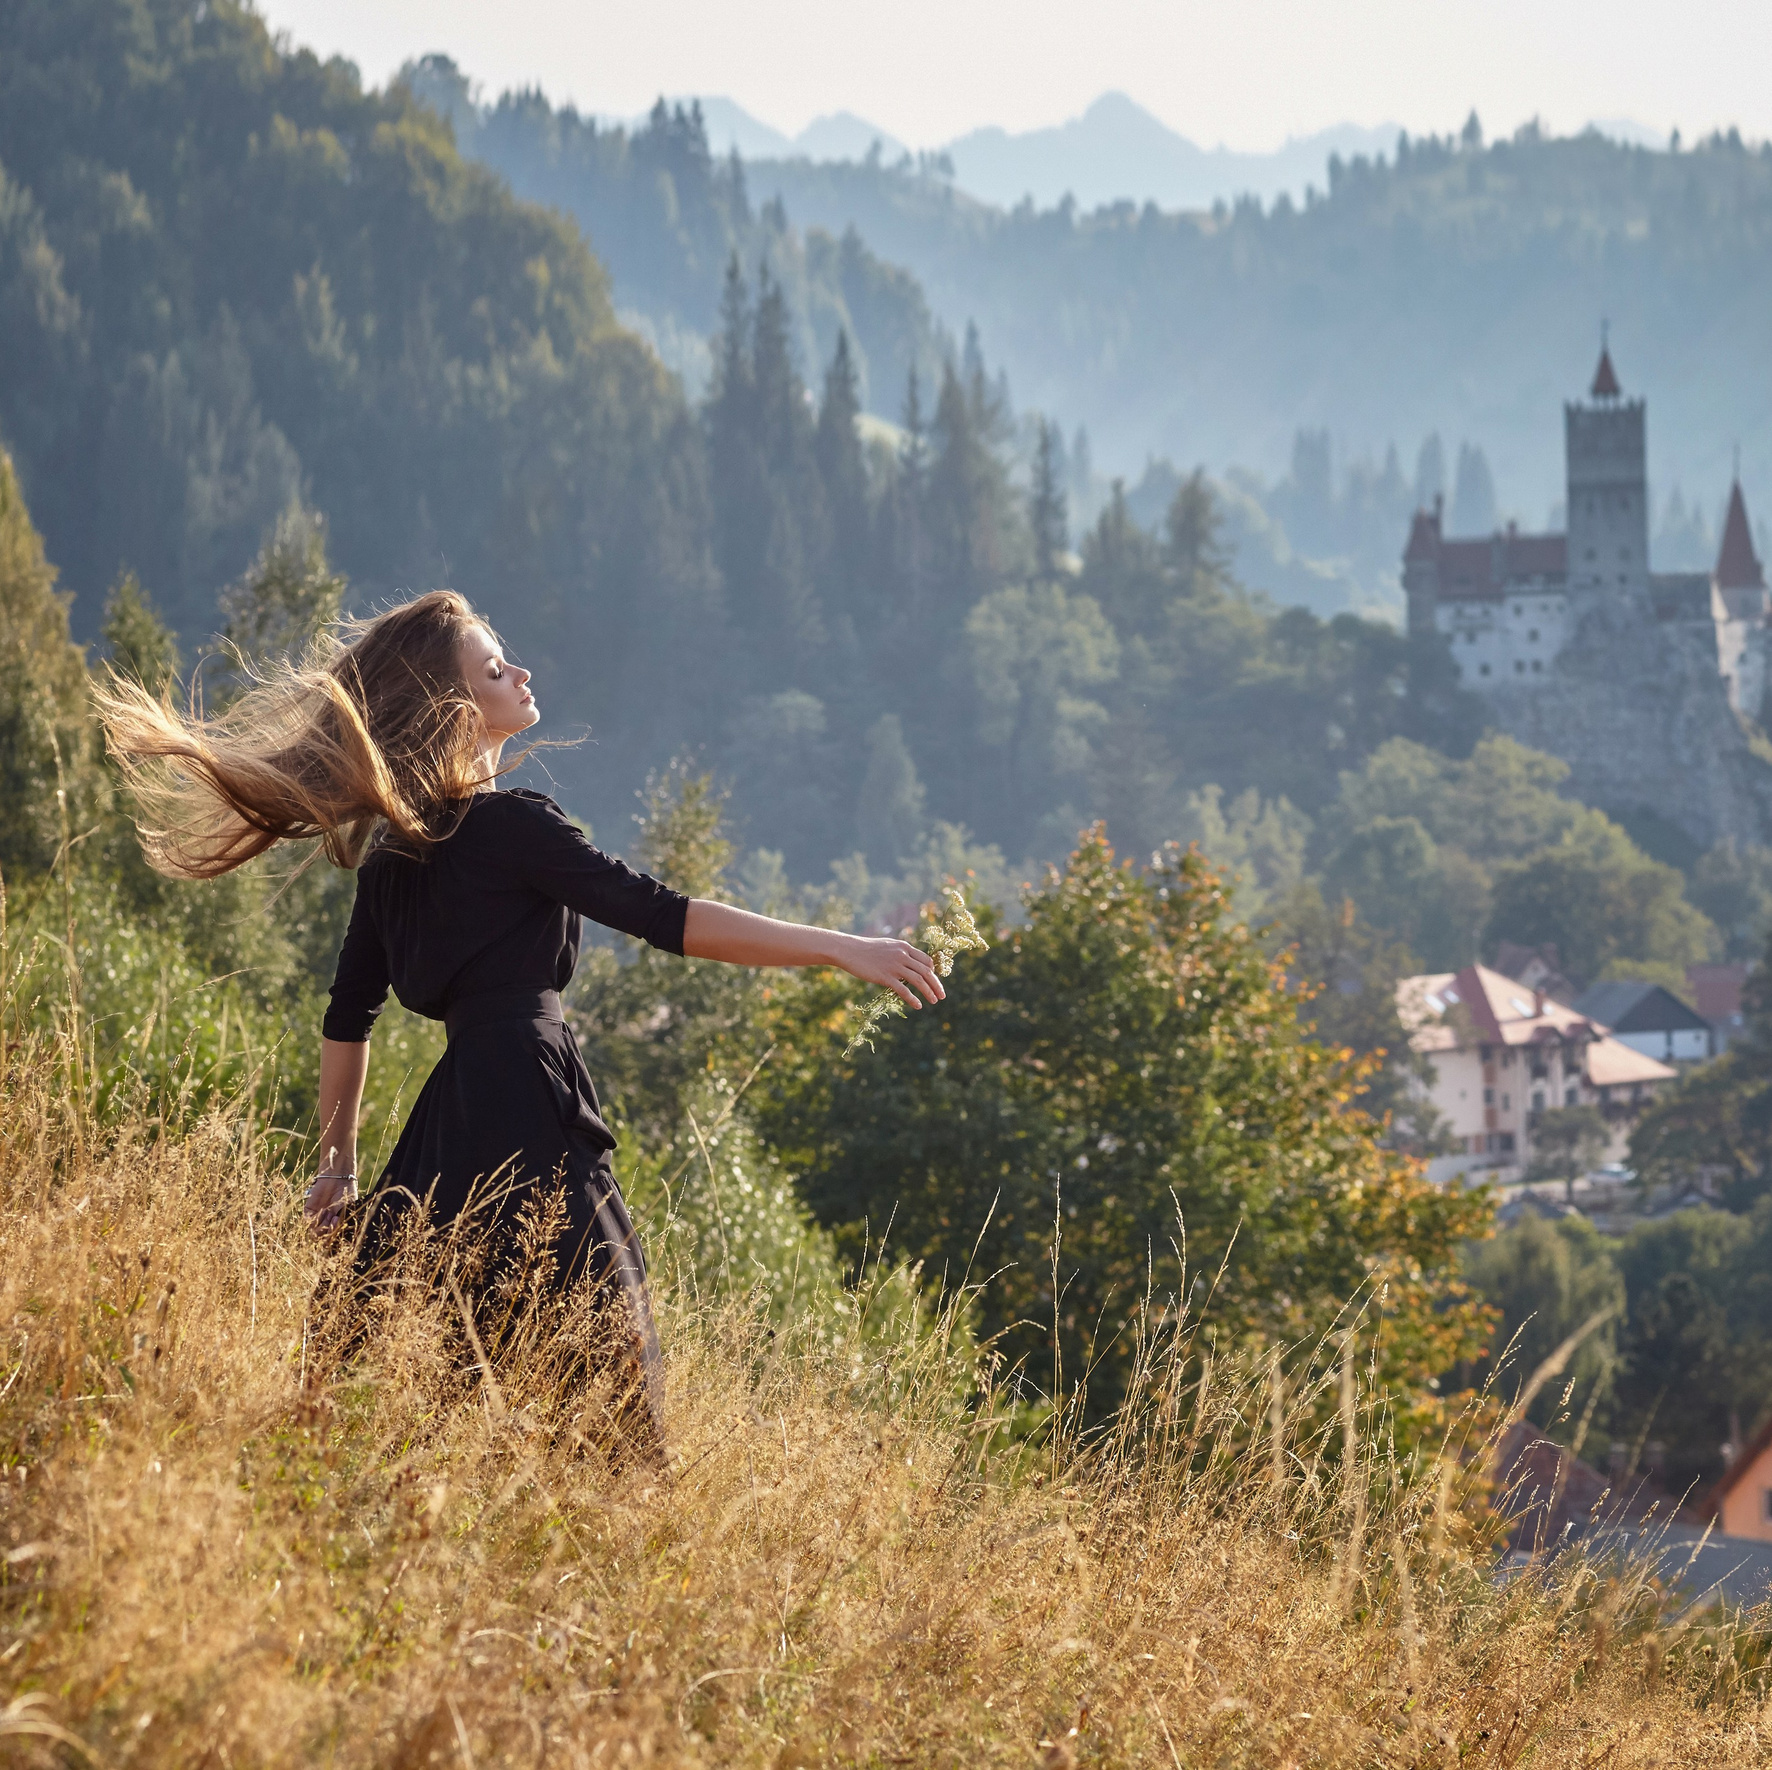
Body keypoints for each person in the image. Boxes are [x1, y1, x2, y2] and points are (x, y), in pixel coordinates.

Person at [97, 589, 945, 1454]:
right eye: (498, 670)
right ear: (457, 709)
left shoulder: (392, 860)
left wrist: (338, 1168)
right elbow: (666, 916)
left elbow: (348, 1018)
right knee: (609, 1387)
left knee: (398, 1381)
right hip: (533, 1105)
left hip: (447, 1128)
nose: (524, 674)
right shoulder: (512, 828)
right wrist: (839, 947)